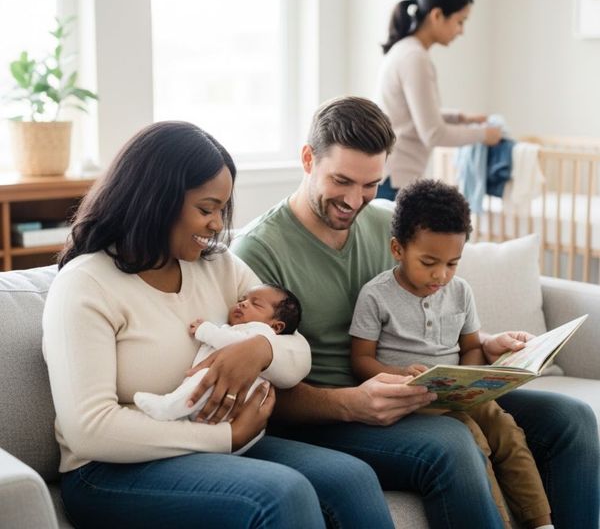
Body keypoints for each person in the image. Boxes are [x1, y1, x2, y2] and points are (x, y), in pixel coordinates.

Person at [231, 96, 600, 529]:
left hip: (416, 394)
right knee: (453, 445)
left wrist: (486, 345)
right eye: (342, 180)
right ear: (308, 159)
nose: (354, 200)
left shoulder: (385, 223)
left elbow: (426, 300)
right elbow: (256, 388)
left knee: (571, 420)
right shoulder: (256, 253)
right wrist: (351, 404)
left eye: (370, 184)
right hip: (330, 415)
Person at [42, 121, 396, 528]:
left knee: (351, 478)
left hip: (218, 447)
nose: (217, 225)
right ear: (156, 201)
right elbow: (89, 428)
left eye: (221, 210)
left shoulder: (218, 265)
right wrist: (226, 437)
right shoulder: (86, 284)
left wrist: (259, 349)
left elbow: (296, 352)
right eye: (206, 209)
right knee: (280, 494)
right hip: (108, 470)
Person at [349, 179, 553, 529]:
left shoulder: (460, 292)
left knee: (508, 433)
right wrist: (397, 375)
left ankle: (542, 523)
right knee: (473, 443)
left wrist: (470, 379)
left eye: (452, 264)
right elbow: (360, 360)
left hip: (460, 395)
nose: (440, 275)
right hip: (412, 402)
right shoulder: (376, 295)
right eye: (428, 262)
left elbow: (472, 346)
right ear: (397, 249)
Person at [134, 284, 301, 457]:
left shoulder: (261, 332)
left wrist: (205, 330)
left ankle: (167, 407)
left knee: (206, 376)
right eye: (242, 300)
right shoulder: (242, 327)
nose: (243, 304)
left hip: (233, 402)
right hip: (229, 424)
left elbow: (233, 344)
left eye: (255, 304)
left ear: (276, 326)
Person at [375, 0, 503, 199]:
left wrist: (460, 117)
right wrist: (484, 135)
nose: (461, 31)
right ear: (437, 15)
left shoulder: (406, 51)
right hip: (395, 179)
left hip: (392, 175)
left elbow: (410, 115)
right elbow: (433, 134)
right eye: (460, 21)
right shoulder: (415, 58)